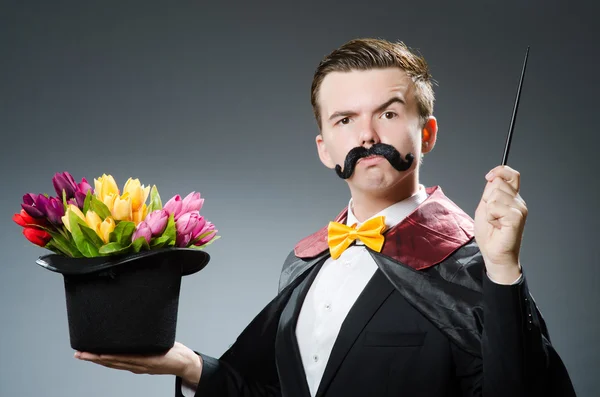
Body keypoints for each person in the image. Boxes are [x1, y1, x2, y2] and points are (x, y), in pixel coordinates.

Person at [75, 38, 576, 396]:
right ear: (323, 148)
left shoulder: (475, 263)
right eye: (344, 119)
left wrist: (504, 270)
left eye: (388, 113)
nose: (366, 134)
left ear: (426, 135)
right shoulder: (307, 261)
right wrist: (187, 366)